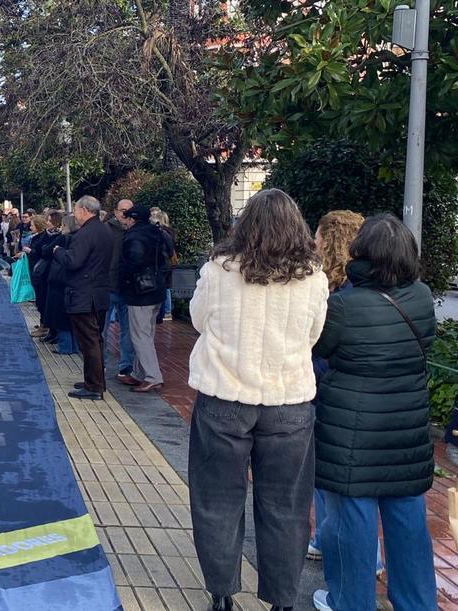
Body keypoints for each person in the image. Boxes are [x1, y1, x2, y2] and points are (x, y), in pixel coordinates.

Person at [186, 189, 329, 611]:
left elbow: (197, 320)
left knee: (217, 498)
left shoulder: (219, 270)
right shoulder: (313, 277)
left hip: (224, 397)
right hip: (289, 403)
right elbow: (313, 336)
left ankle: (222, 593)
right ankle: (283, 600)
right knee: (286, 504)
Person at [311, 214, 437, 611]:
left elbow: (320, 351)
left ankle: (351, 601)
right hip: (407, 429)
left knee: (354, 522)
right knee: (409, 523)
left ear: (362, 252)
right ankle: (418, 603)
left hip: (352, 434)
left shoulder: (343, 305)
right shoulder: (421, 297)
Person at [306, 210, 367, 564]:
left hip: (328, 390)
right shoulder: (365, 283)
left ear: (329, 240)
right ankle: (326, 537)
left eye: (317, 235)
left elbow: (321, 345)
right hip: (352, 392)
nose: (313, 241)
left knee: (328, 476)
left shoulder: (330, 289)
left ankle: (335, 542)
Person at [52, 196, 114, 400]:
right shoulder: (104, 230)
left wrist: (58, 251)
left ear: (86, 210)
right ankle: (94, 379)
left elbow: (73, 261)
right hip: (98, 292)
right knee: (95, 339)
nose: (74, 214)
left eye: (76, 210)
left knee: (89, 342)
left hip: (84, 294)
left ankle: (94, 386)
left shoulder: (85, 233)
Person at [116, 204, 169, 393]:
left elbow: (134, 261)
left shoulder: (134, 236)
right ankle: (140, 373)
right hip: (157, 288)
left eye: (127, 218)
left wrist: (125, 276)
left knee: (139, 336)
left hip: (139, 291)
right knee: (147, 333)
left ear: (132, 219)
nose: (125, 221)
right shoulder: (158, 232)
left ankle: (152, 376)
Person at [103, 199, 135, 378]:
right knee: (102, 327)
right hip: (108, 286)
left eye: (129, 211)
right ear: (115, 212)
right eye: (122, 211)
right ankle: (101, 364)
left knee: (127, 330)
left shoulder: (136, 230)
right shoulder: (106, 230)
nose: (125, 214)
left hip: (128, 288)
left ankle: (126, 366)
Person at [40, 212, 78, 354]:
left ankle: (65, 347)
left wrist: (57, 250)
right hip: (72, 281)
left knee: (60, 316)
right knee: (70, 318)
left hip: (59, 280)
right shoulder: (79, 238)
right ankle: (74, 347)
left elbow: (46, 250)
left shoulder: (63, 239)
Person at [25, 215, 55, 338]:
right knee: (40, 299)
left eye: (32, 225)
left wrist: (30, 251)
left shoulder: (45, 238)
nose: (30, 227)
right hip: (36, 271)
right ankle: (43, 323)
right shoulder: (36, 237)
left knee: (42, 299)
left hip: (42, 273)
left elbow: (41, 253)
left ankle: (44, 325)